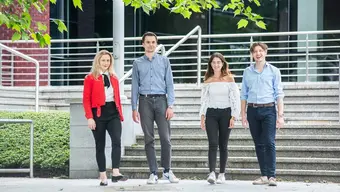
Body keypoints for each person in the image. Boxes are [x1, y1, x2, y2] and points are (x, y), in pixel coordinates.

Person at [131, 31, 179, 184]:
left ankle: (167, 170)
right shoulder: (137, 63)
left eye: (153, 42)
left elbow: (170, 84)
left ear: (156, 44)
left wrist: (170, 105)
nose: (151, 45)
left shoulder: (164, 61)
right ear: (143, 44)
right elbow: (134, 86)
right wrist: (133, 107)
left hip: (161, 101)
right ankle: (153, 172)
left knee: (165, 138)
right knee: (148, 138)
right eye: (148, 42)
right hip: (144, 102)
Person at [240, 42, 284, 186]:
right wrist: (243, 114)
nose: (258, 54)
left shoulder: (274, 71)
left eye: (260, 51)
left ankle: (272, 176)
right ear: (252, 54)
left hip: (269, 109)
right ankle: (264, 175)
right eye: (255, 51)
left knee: (269, 142)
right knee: (258, 143)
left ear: (265, 52)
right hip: (252, 110)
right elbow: (244, 94)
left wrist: (281, 115)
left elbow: (279, 94)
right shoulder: (247, 72)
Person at [82, 50, 128, 186]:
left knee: (116, 141)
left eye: (108, 61)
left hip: (113, 112)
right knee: (100, 145)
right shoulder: (90, 78)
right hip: (98, 114)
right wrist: (89, 117)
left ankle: (115, 172)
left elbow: (117, 97)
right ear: (98, 61)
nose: (106, 63)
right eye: (103, 60)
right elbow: (86, 100)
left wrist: (120, 114)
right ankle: (102, 175)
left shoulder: (114, 77)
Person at [199, 52, 241, 184]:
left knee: (223, 144)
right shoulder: (208, 80)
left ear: (223, 64)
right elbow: (204, 100)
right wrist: (202, 116)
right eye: (213, 62)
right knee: (212, 143)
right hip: (211, 113)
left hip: (226, 114)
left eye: (218, 62)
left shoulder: (229, 79)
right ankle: (211, 172)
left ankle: (222, 173)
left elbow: (235, 99)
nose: (216, 64)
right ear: (210, 65)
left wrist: (234, 116)